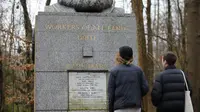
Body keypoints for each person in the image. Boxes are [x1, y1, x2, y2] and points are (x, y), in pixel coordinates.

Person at [108, 46, 149, 112]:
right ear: (131, 56)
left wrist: (110, 109)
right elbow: (145, 88)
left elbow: (111, 94)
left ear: (120, 56)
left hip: (119, 108)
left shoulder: (114, 71)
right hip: (136, 107)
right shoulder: (138, 70)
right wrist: (136, 94)